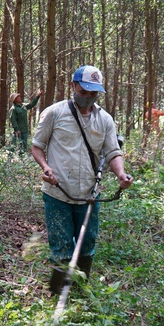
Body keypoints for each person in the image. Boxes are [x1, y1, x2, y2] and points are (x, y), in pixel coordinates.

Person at [31, 65, 133, 295]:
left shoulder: (104, 120)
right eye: (84, 91)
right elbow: (37, 146)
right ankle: (58, 292)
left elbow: (113, 152)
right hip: (58, 192)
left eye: (93, 94)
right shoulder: (54, 113)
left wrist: (120, 174)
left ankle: (79, 290)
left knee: (87, 243)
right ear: (73, 86)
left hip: (89, 194)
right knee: (61, 245)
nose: (87, 97)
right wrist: (46, 167)